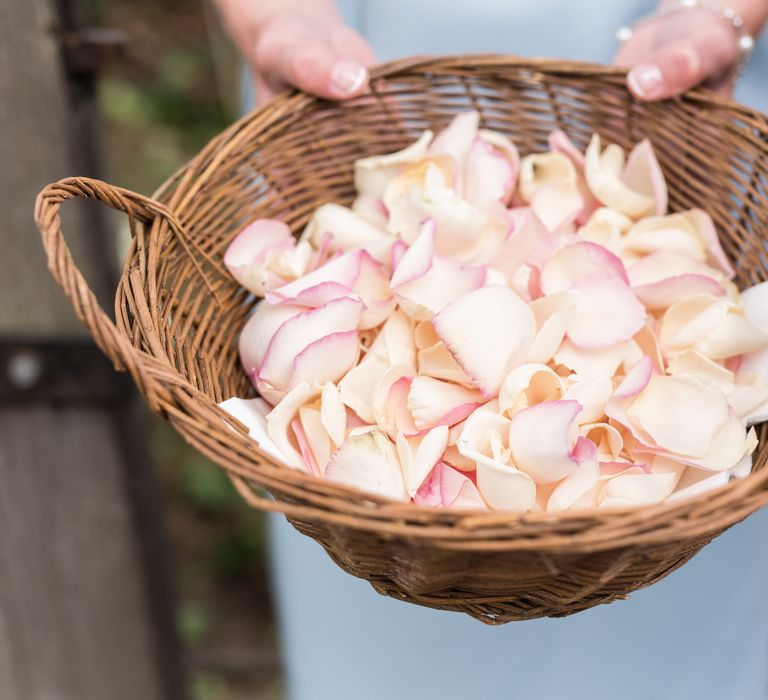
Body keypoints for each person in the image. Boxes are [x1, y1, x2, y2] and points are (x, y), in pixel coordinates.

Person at [211, 2, 768, 698]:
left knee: (680, 642)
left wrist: (724, 11)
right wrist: (274, 20)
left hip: (665, 66)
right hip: (362, 74)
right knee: (391, 642)